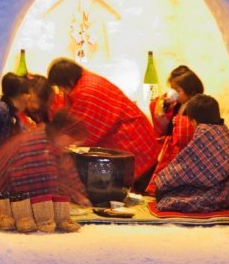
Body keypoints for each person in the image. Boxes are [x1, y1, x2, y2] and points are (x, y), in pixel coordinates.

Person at [47, 57, 159, 193]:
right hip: (135, 138)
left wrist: (57, 144)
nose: (61, 91)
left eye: (60, 86)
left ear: (68, 81)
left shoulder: (88, 90)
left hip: (132, 141)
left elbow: (83, 131)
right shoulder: (85, 81)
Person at [0, 111, 88, 233]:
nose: (73, 145)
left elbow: (66, 176)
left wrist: (79, 197)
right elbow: (41, 205)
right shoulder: (37, 150)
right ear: (61, 134)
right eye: (72, 141)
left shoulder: (49, 138)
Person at [151, 94, 229, 213]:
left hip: (220, 191)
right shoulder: (222, 128)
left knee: (163, 192)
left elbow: (186, 166)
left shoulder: (204, 132)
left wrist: (163, 180)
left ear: (194, 120)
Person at [150, 65, 204, 137]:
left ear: (190, 91)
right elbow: (169, 129)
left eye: (177, 90)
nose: (174, 93)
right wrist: (165, 107)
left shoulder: (196, 107)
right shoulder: (179, 104)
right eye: (172, 89)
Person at [0, 73, 29, 156]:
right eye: (27, 92)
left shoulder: (14, 116)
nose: (29, 96)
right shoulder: (1, 109)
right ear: (21, 94)